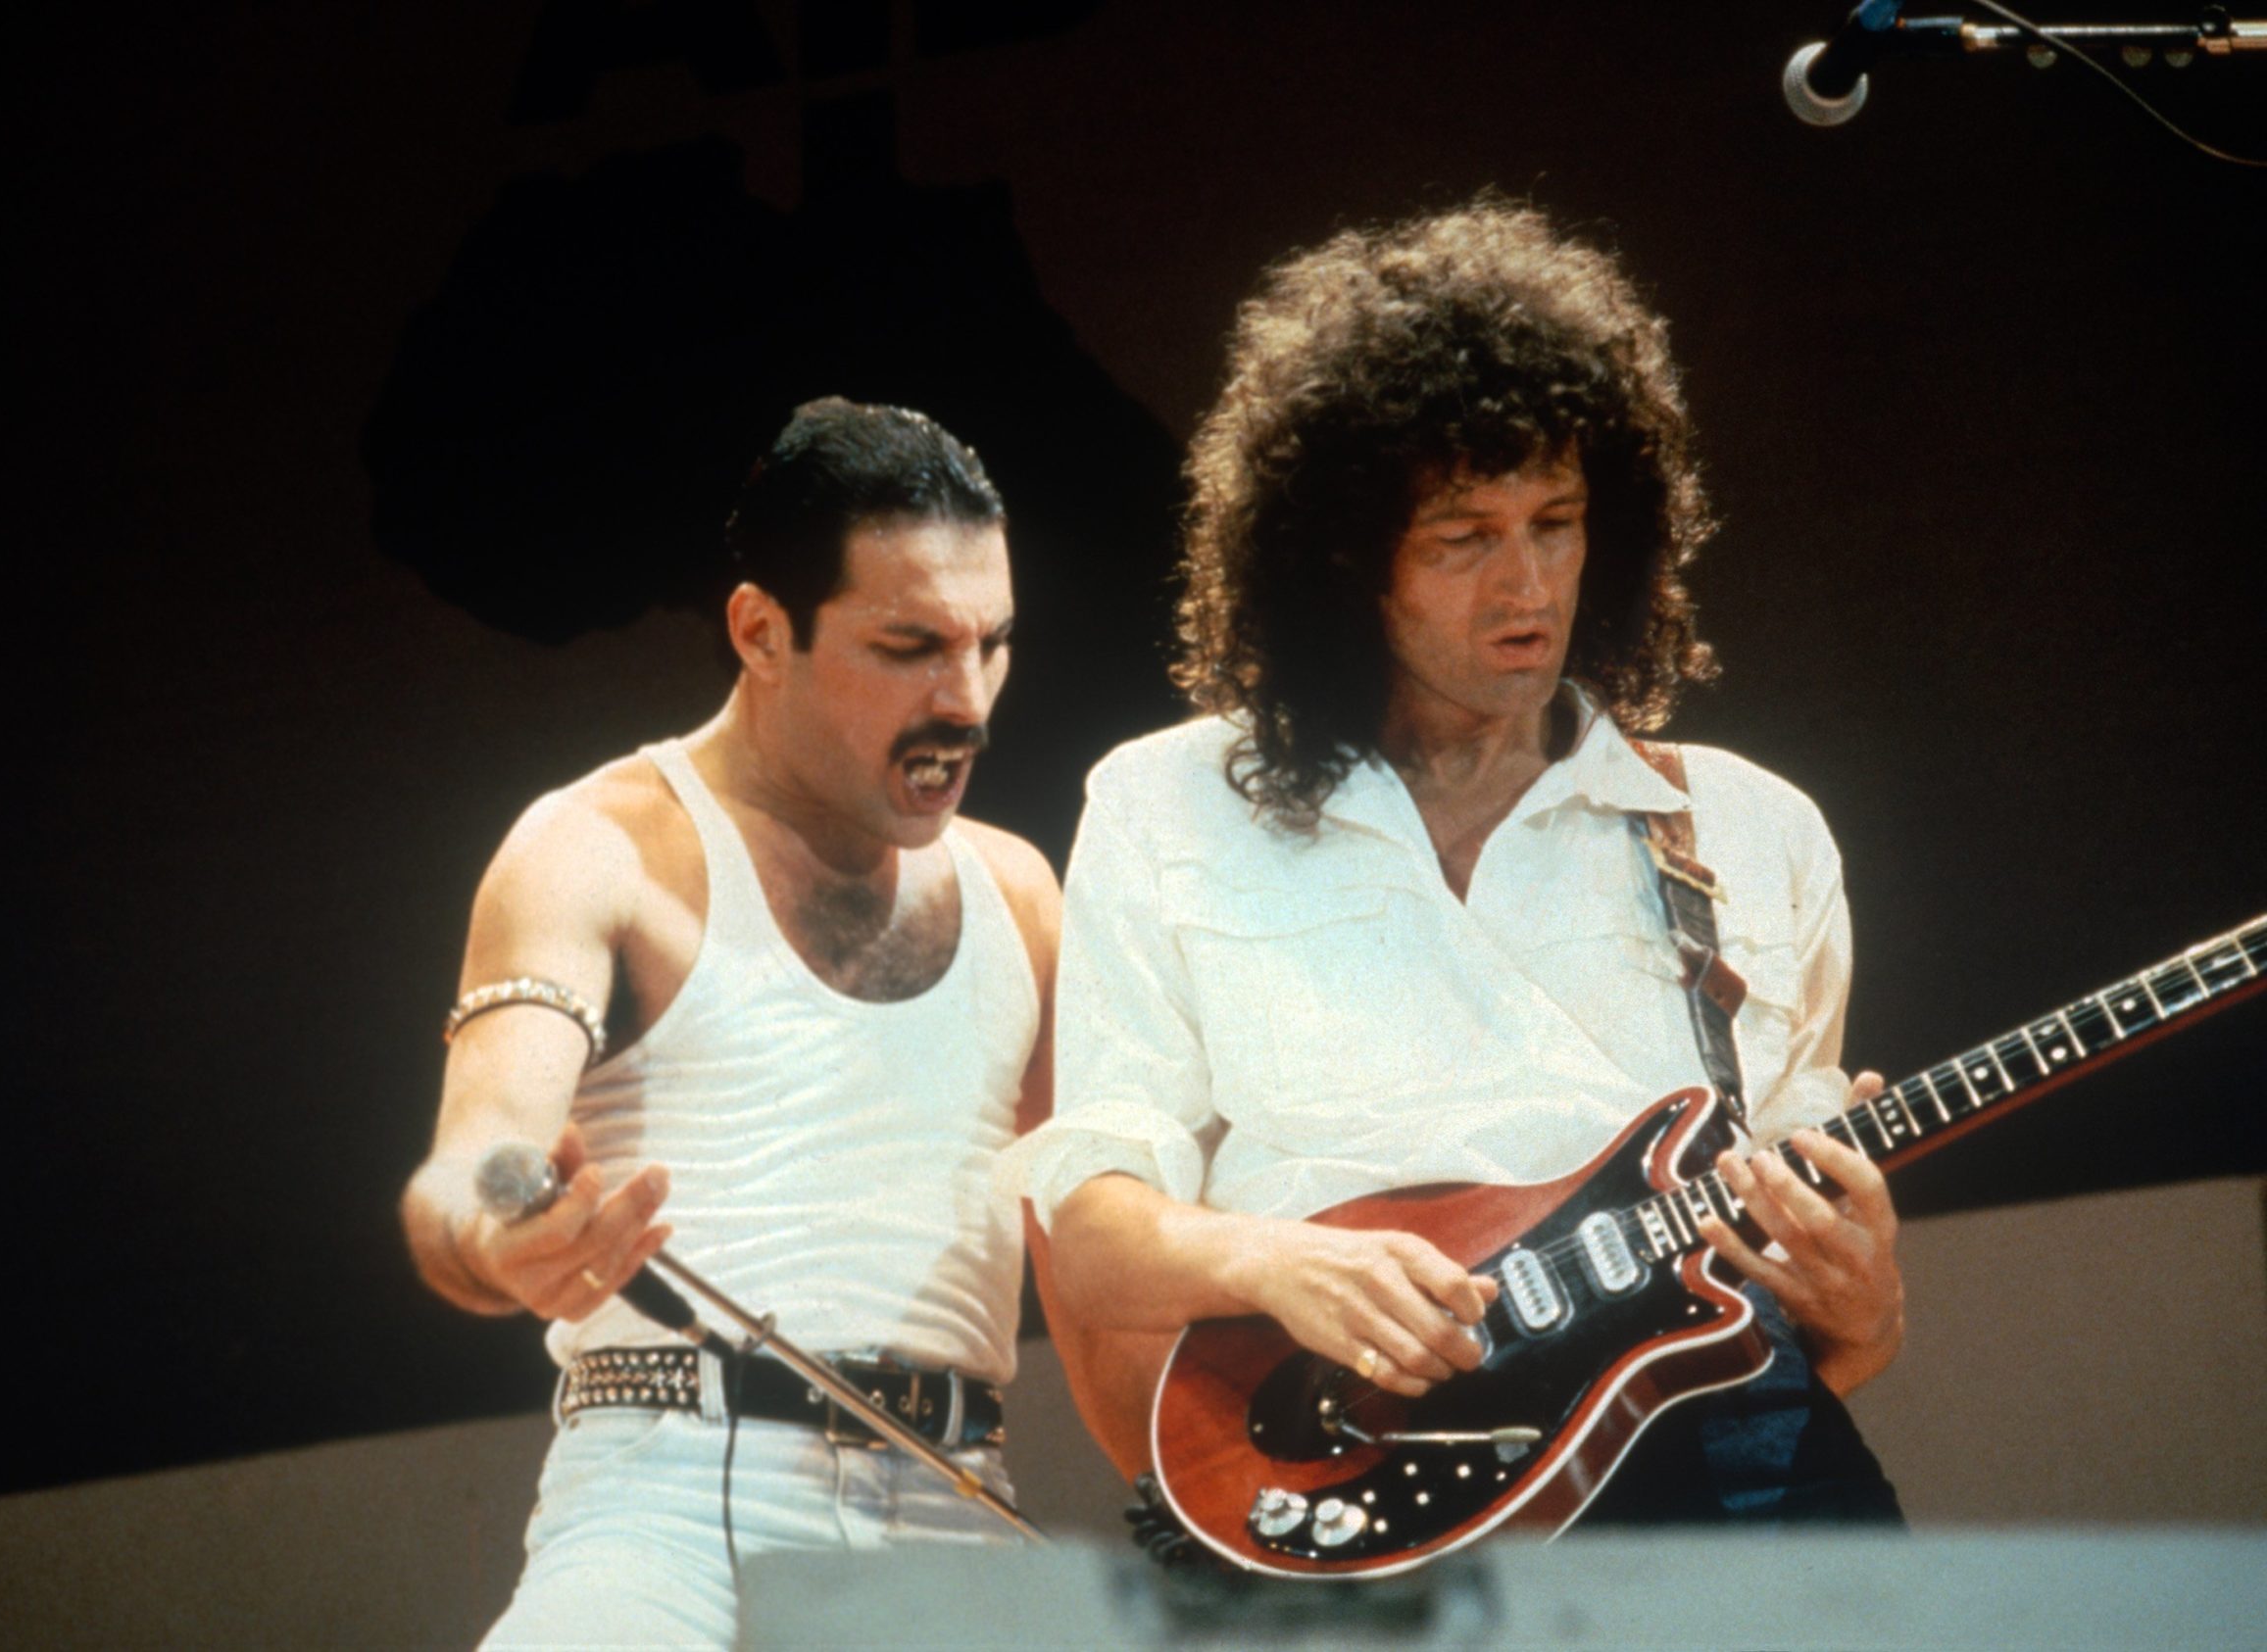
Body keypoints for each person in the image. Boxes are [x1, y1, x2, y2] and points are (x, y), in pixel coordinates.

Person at [1023, 201, 1906, 1549]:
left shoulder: (1751, 827)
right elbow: (1090, 1233)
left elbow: (1794, 1292)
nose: (1527, 584)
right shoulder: (1164, 803)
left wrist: (1863, 1298)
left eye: (1556, 521)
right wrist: (1282, 1261)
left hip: (1731, 1482)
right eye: (1461, 537)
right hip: (1349, 1486)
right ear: (1340, 557)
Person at [401, 397, 1060, 1648]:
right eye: (911, 644)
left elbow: (1110, 1253)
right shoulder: (594, 849)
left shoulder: (1019, 893)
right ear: (761, 630)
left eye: (993, 643)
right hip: (667, 1510)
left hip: (962, 1508)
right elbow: (473, 1161)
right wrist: (505, 1225)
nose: (966, 699)